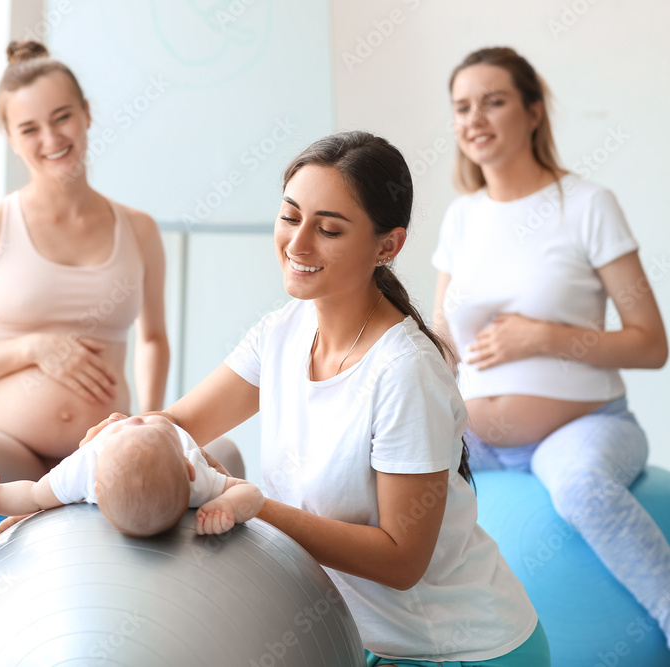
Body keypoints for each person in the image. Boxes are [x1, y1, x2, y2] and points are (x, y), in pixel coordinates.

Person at [82, 131, 550, 665]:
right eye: (289, 216)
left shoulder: (406, 372)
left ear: (387, 246)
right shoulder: (280, 333)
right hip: (344, 638)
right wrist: (93, 463)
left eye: (328, 229)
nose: (298, 244)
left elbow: (402, 560)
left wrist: (255, 508)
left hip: (454, 650)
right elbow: (178, 423)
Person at [0, 39, 243, 661]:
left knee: (221, 450)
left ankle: (215, 639)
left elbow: (151, 337)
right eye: (30, 127)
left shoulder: (138, 228)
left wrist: (153, 422)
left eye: (62, 117)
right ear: (12, 138)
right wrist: (35, 348)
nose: (51, 138)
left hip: (110, 448)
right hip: (15, 449)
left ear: (87, 114)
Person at [433, 46, 670, 647]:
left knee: (582, 489)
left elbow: (650, 343)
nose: (474, 119)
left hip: (586, 428)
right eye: (462, 107)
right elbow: (441, 339)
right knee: (374, 474)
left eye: (494, 101)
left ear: (534, 111)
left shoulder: (589, 205)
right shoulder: (461, 218)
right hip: (478, 440)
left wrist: (544, 338)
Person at [0, 414, 263, 537]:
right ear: (189, 469)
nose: (134, 418)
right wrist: (228, 505)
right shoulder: (197, 478)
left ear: (94, 488)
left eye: (141, 426)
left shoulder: (87, 467)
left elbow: (31, 497)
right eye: (144, 424)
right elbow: (251, 493)